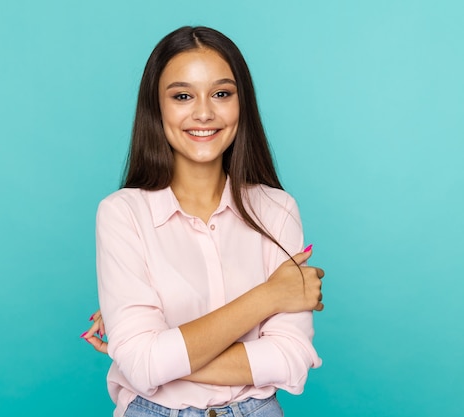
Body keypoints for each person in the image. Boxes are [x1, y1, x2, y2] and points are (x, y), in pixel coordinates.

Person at [81, 26, 325, 417]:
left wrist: (151, 359)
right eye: (182, 96)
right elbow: (144, 363)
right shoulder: (122, 213)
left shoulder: (277, 209)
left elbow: (291, 357)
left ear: (241, 103)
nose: (204, 112)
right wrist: (270, 295)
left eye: (221, 94)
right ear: (156, 108)